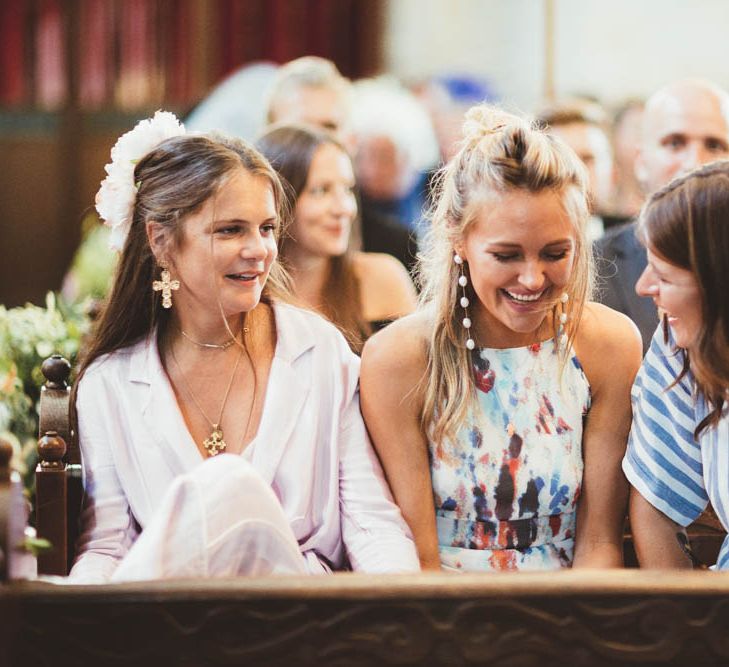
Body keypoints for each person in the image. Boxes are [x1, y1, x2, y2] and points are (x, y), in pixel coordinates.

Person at [68, 112, 419, 583]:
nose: (259, 250)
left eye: (267, 228)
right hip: (174, 630)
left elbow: (371, 521)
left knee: (231, 483)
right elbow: (106, 547)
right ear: (161, 241)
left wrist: (402, 623)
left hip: (298, 623)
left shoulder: (319, 351)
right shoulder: (109, 382)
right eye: (230, 230)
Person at [360, 104, 642, 572]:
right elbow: (419, 556)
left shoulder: (609, 346)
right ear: (458, 239)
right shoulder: (399, 358)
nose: (532, 279)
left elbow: (599, 544)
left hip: (574, 612)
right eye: (506, 255)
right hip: (438, 614)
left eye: (555, 253)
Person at [623, 160, 729, 570]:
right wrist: (685, 629)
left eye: (664, 277)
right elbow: (658, 506)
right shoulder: (679, 342)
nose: (643, 286)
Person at [256, 124, 417, 352]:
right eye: (321, 191)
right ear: (276, 201)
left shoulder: (384, 278)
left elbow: (418, 380)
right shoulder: (251, 295)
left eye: (347, 189)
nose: (343, 209)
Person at [596, 79, 729, 351]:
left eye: (714, 145)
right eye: (674, 143)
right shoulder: (595, 268)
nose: (695, 163)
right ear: (641, 162)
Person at [265, 57, 418, 276]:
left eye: (329, 127)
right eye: (300, 128)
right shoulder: (245, 251)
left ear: (352, 141)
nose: (314, 143)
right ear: (267, 140)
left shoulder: (395, 247)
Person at [536, 100, 615, 241]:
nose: (577, 174)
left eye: (587, 159)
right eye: (563, 160)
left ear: (613, 171)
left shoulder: (642, 244)